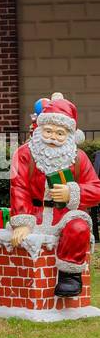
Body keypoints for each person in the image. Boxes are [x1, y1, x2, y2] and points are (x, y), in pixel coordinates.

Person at [9, 95, 100, 296]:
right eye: (48, 131)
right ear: (39, 130)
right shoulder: (25, 154)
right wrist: (23, 222)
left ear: (70, 135)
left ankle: (70, 276)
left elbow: (96, 189)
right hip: (35, 212)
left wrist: (73, 192)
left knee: (79, 227)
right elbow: (19, 187)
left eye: (60, 133)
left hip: (65, 215)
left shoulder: (79, 158)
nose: (53, 137)